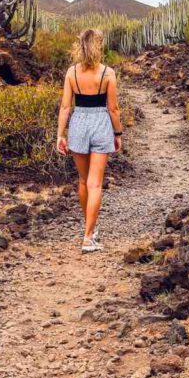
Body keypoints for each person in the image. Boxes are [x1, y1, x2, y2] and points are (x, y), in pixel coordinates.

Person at [56, 28, 123, 253]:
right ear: (98, 46)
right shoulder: (108, 73)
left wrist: (60, 134)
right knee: (95, 183)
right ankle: (88, 237)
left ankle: (90, 230)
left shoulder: (71, 73)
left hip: (78, 124)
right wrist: (118, 133)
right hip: (101, 124)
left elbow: (66, 107)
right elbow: (113, 108)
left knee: (84, 181)